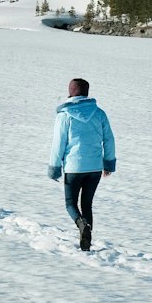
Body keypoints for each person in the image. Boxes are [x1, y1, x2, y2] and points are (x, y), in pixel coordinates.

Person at [47, 77, 116, 251]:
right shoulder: (99, 113)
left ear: (71, 92)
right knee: (87, 204)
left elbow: (58, 144)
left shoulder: (64, 116)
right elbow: (109, 139)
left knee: (70, 204)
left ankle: (81, 225)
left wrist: (54, 168)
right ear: (86, 93)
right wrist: (108, 163)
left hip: (74, 167)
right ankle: (87, 242)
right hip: (94, 168)